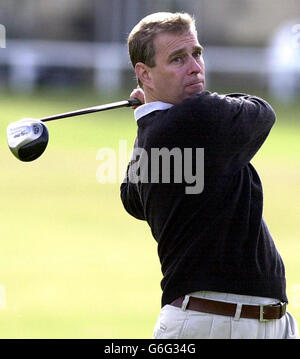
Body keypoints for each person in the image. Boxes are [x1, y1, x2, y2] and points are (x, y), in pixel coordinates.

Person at [120, 12, 299, 339]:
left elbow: (131, 198)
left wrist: (147, 114)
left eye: (197, 53)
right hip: (211, 323)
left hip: (263, 321)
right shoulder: (199, 115)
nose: (195, 67)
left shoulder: (156, 135)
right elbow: (263, 112)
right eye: (177, 59)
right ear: (144, 74)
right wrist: (152, 113)